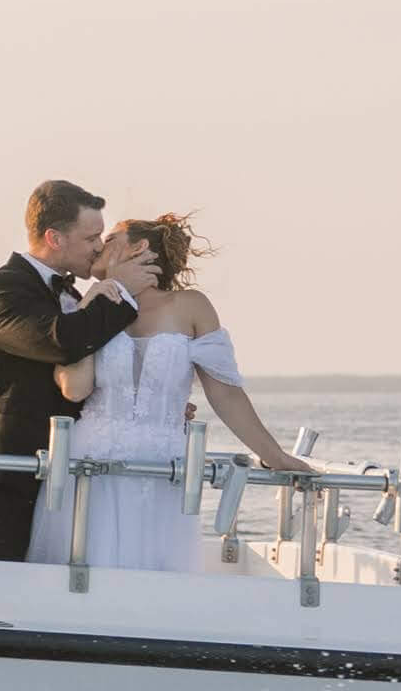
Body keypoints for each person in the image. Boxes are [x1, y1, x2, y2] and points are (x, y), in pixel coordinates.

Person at [27, 213, 313, 573]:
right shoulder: (85, 304)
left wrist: (275, 455)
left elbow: (225, 394)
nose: (99, 245)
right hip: (91, 460)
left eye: (111, 237)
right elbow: (75, 388)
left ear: (139, 247)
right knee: (84, 570)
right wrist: (88, 309)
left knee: (153, 578)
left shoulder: (190, 306)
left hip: (163, 464)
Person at [0, 180, 159, 560]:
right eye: (91, 236)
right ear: (54, 238)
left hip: (68, 472)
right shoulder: (3, 290)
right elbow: (61, 342)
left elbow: (84, 371)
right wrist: (121, 292)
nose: (99, 246)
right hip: (13, 471)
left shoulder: (77, 296)